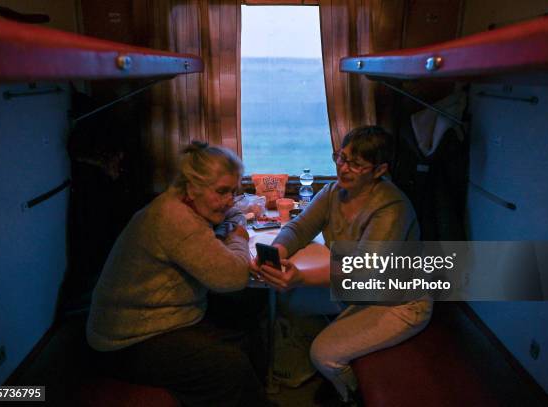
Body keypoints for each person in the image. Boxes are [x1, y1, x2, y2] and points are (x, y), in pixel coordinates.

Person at [253, 126, 433, 405]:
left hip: (399, 301)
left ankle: (351, 392)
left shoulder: (391, 207)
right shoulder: (334, 191)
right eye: (341, 157)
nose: (343, 168)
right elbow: (300, 228)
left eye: (356, 164)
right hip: (361, 292)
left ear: (379, 170)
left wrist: (300, 276)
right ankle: (343, 359)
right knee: (289, 301)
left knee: (322, 354)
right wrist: (277, 251)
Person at [86, 141, 270, 406]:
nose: (229, 201)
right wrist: (238, 238)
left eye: (233, 192)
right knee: (230, 365)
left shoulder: (177, 202)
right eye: (221, 192)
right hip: (126, 339)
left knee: (245, 316)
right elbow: (234, 277)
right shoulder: (175, 218)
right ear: (192, 188)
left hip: (161, 318)